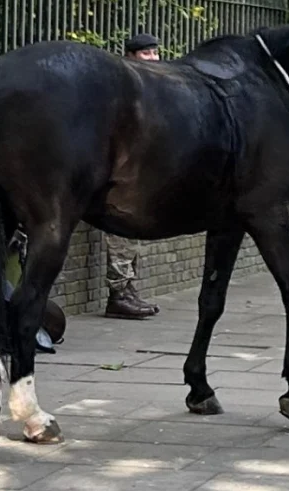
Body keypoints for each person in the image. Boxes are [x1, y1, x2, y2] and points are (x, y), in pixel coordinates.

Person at [104, 33, 162, 320]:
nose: (153, 59)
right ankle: (118, 294)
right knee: (121, 231)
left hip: (137, 172)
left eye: (155, 53)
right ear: (130, 55)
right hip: (116, 174)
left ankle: (128, 290)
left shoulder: (151, 86)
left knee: (131, 234)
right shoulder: (119, 86)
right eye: (146, 54)